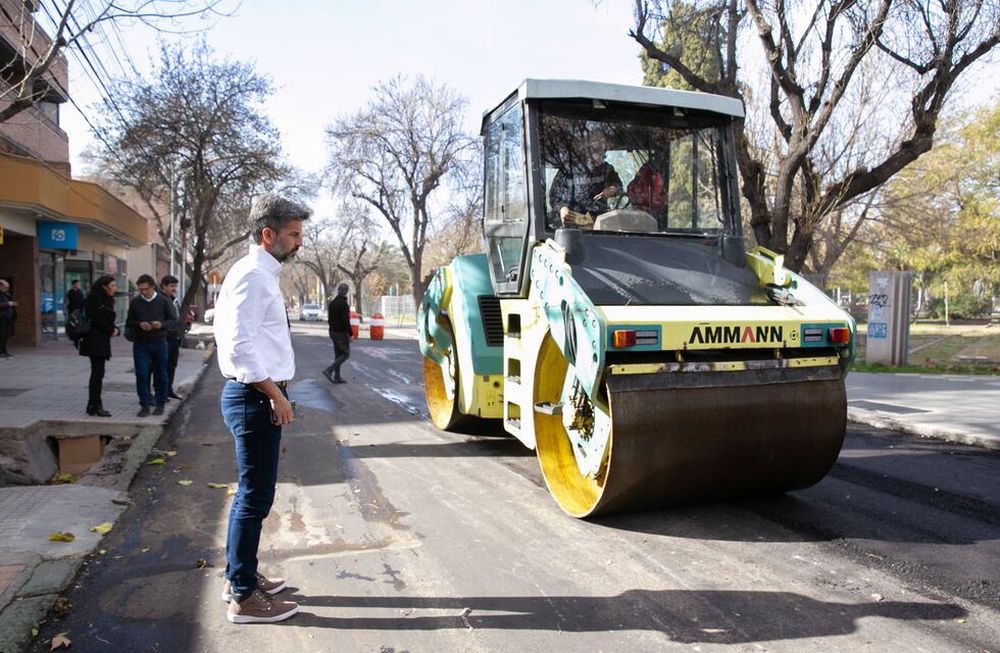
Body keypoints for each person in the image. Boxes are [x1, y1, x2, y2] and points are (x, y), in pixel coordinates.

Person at [214, 192, 310, 624]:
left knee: (251, 497)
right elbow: (239, 347)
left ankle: (241, 574)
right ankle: (244, 596)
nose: (299, 242)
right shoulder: (253, 274)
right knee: (254, 498)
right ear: (268, 234)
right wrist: (276, 395)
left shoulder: (259, 272)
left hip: (255, 395)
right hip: (254, 398)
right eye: (293, 234)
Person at [548, 129, 622, 227]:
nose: (602, 154)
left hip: (601, 225)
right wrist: (562, 209)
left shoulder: (606, 169)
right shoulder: (567, 171)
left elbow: (619, 186)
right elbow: (554, 197)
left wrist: (613, 189)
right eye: (597, 149)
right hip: (573, 226)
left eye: (603, 151)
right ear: (587, 150)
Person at [126, 274, 175, 417]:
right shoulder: (135, 303)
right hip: (141, 342)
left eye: (145, 289)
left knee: (161, 374)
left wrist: (161, 325)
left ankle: (160, 404)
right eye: (140, 290)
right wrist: (140, 324)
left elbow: (173, 320)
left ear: (152, 287)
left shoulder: (163, 301)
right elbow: (129, 321)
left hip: (159, 341)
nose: (143, 292)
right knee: (142, 374)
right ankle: (144, 404)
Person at [78, 276, 120, 416]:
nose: (115, 288)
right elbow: (96, 319)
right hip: (94, 340)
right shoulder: (94, 299)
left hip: (101, 340)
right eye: (113, 285)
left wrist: (115, 329)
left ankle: (93, 404)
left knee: (98, 373)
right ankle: (95, 404)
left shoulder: (106, 299)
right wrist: (111, 330)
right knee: (97, 373)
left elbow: (107, 319)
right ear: (104, 286)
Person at [160, 275, 184, 400]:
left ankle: (168, 390)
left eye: (175, 286)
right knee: (163, 366)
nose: (174, 288)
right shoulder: (161, 299)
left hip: (175, 337)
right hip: (166, 338)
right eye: (172, 286)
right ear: (164, 286)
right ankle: (161, 392)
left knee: (171, 366)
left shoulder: (173, 299)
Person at [323, 283, 351, 384]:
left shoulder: (332, 303)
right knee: (345, 354)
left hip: (333, 332)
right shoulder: (343, 304)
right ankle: (329, 370)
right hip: (341, 333)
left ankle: (337, 376)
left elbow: (329, 319)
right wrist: (350, 333)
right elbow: (345, 321)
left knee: (338, 354)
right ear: (346, 292)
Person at [65, 279, 86, 346]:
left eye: (79, 284)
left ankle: (79, 338)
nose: (78, 285)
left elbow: (84, 302)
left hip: (79, 311)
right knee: (72, 326)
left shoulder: (81, 292)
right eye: (77, 284)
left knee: (79, 325)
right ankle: (75, 339)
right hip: (71, 312)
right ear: (73, 285)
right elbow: (66, 302)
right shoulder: (69, 293)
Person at [0, 279, 16, 358]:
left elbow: (11, 301)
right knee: (1, 335)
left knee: (5, 335)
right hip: (1, 318)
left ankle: (4, 351)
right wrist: (7, 304)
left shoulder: (6, 294)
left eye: (7, 287)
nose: (6, 289)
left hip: (7, 317)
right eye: (5, 287)